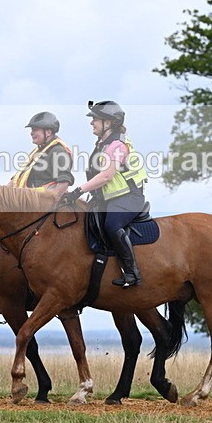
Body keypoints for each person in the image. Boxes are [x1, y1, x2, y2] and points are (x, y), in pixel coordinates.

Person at [64, 101, 148, 287]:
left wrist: (78, 191)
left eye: (95, 119)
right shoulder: (103, 144)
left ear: (108, 123)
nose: (91, 122)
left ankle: (132, 272)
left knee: (111, 224)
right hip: (111, 198)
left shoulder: (117, 145)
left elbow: (107, 175)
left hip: (130, 198)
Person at [10, 111, 74, 198]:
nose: (31, 133)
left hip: (43, 206)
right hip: (28, 202)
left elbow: (64, 180)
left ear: (48, 132)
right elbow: (16, 179)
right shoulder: (37, 152)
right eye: (32, 130)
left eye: (35, 129)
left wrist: (51, 204)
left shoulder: (58, 151)